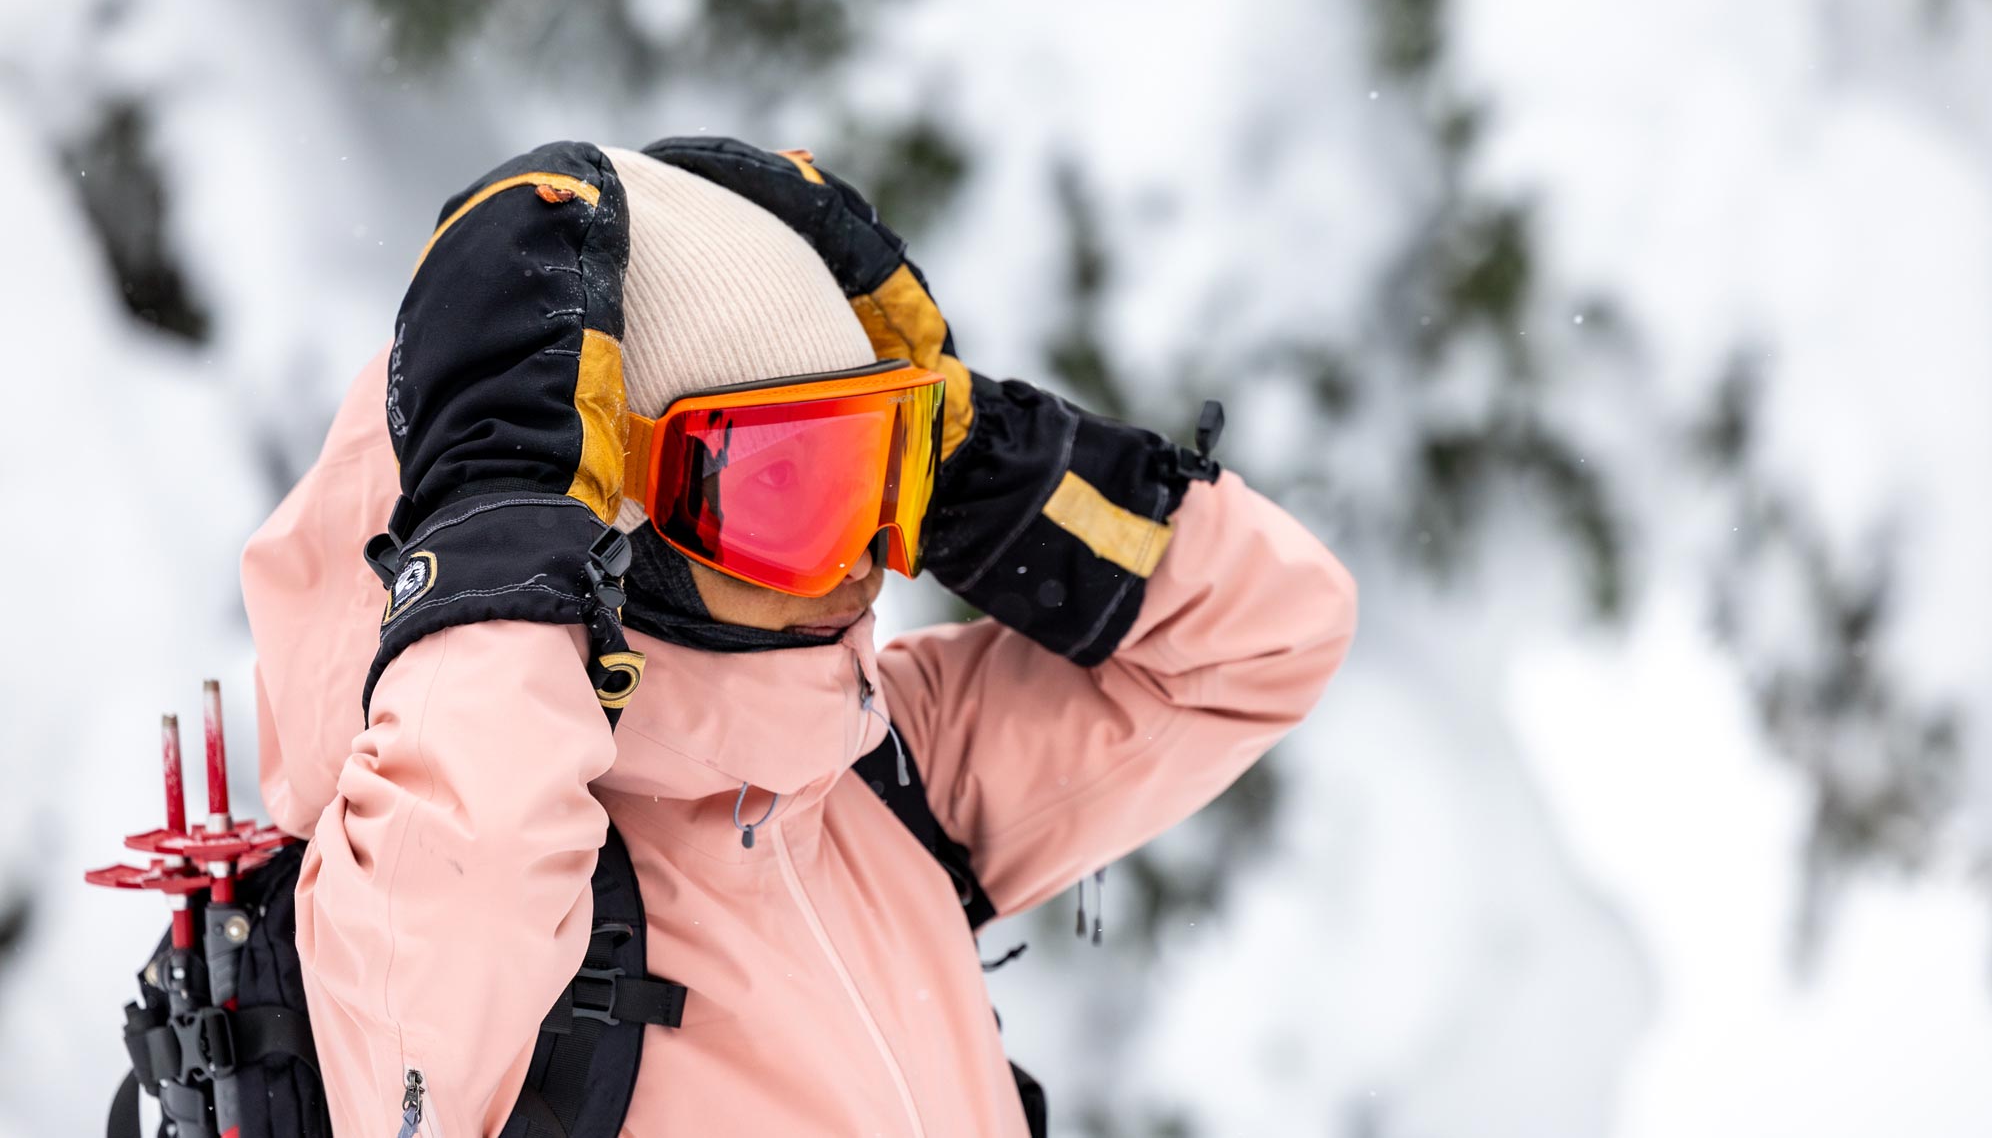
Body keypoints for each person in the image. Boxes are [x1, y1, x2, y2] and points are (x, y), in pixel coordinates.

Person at [241, 138, 1358, 1136]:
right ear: (614, 519)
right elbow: (468, 853)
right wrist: (498, 542)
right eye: (788, 485)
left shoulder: (876, 768)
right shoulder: (406, 907)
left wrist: (978, 460)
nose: (867, 556)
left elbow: (1269, 629)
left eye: (884, 467)